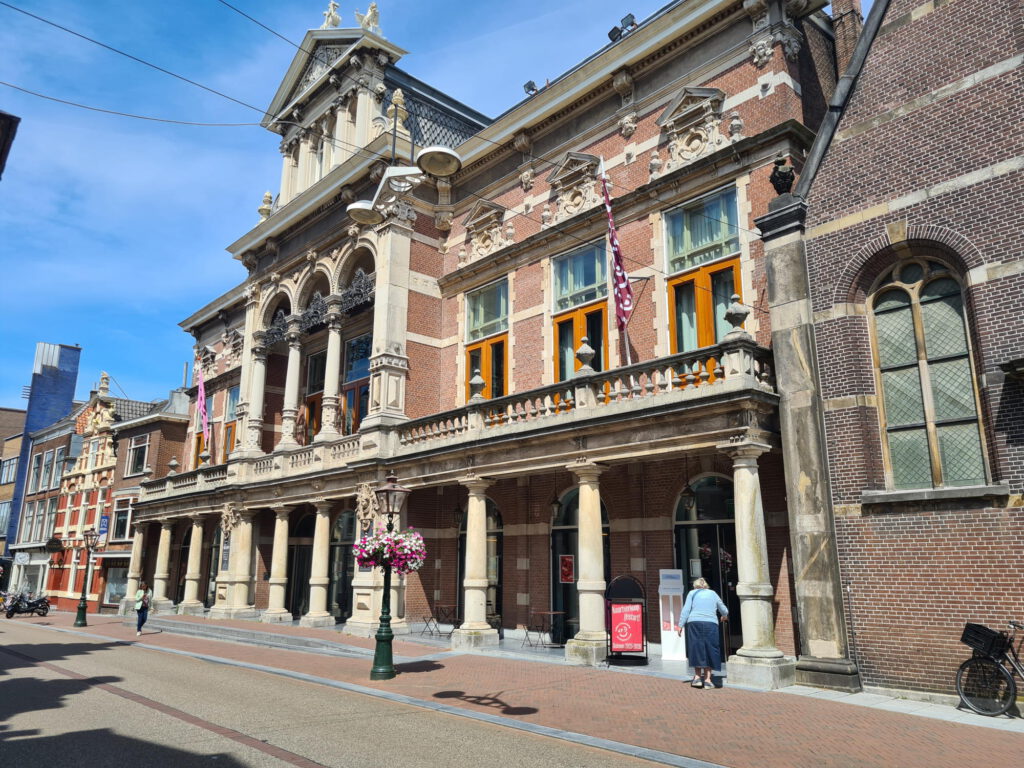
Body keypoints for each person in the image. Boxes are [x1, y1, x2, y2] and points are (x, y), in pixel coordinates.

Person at [677, 577, 728, 688]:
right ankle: (708, 680)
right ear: (706, 585)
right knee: (710, 648)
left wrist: (680, 625)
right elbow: (723, 609)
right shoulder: (713, 593)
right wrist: (724, 615)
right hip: (711, 624)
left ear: (695, 586)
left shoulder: (692, 593)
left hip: (694, 623)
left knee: (696, 647)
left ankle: (697, 678)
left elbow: (686, 610)